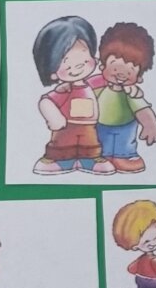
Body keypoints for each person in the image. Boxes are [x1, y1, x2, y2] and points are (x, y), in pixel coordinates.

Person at [32, 14, 110, 175]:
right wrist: (53, 117)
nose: (77, 67)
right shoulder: (64, 90)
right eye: (66, 62)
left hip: (89, 128)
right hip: (66, 127)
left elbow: (109, 80)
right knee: (62, 145)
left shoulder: (92, 82)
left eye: (84, 56)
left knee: (90, 143)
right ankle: (59, 161)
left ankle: (89, 160)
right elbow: (46, 101)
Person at [91, 21, 156, 174]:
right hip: (100, 125)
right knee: (99, 144)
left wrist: (151, 124)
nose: (121, 73)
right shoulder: (96, 85)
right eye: (114, 65)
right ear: (102, 66)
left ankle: (123, 156)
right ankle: (102, 156)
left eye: (130, 68)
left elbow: (141, 109)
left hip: (125, 126)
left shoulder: (131, 93)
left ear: (139, 76)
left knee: (123, 143)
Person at [110, 199, 156, 288]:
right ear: (134, 246)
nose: (154, 243)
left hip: (141, 280)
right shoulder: (153, 260)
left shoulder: (141, 260)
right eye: (147, 241)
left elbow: (131, 268)